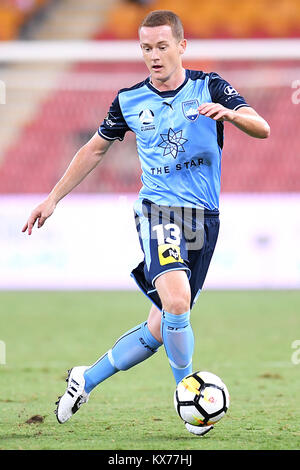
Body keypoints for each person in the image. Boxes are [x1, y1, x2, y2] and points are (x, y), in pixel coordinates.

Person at [22, 10, 270, 436]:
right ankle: (187, 392)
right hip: (159, 212)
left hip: (204, 220)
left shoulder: (210, 87)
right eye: (145, 48)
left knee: (161, 327)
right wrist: (53, 197)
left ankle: (87, 377)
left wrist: (231, 116)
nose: (153, 55)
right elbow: (94, 150)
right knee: (176, 303)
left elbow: (261, 127)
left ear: (181, 46)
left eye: (161, 46)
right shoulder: (129, 100)